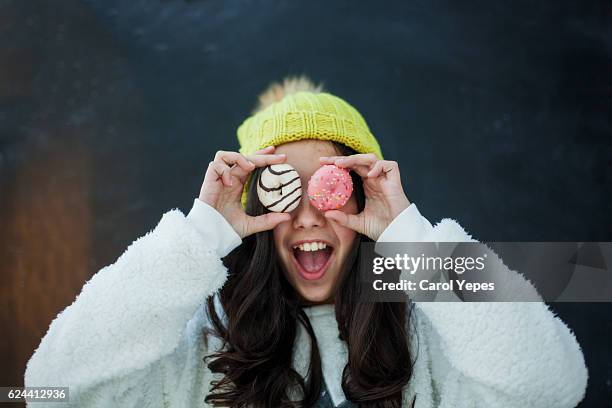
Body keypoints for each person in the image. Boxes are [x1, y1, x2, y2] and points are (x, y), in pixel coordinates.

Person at [24, 76, 588, 407]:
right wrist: (200, 234)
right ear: (250, 210)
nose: (307, 218)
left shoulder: (432, 338)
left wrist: (411, 238)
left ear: (366, 200)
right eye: (279, 192)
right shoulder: (197, 348)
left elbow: (554, 383)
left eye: (330, 190)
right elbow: (46, 389)